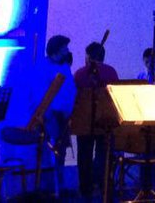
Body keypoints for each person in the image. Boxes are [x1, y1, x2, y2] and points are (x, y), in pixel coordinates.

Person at [72, 41, 119, 200]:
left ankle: (85, 189)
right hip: (106, 120)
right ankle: (104, 186)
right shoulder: (111, 72)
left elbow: (75, 97)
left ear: (88, 57)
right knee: (104, 155)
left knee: (84, 155)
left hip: (83, 121)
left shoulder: (80, 74)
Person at [34, 34, 76, 184]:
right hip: (50, 116)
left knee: (61, 150)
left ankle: (60, 183)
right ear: (57, 49)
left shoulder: (64, 67)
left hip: (64, 115)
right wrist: (48, 114)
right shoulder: (43, 67)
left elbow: (70, 90)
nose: (67, 50)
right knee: (49, 150)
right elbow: (40, 94)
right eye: (65, 47)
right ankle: (48, 184)